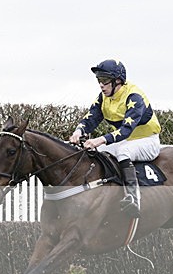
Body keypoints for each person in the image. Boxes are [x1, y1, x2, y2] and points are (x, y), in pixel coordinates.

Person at [69, 59, 161, 217]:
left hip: (147, 141)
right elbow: (91, 118)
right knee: (94, 152)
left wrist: (100, 139)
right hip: (125, 141)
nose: (101, 85)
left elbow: (126, 130)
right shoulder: (103, 97)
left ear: (118, 81)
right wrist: (79, 131)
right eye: (99, 80)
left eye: (104, 80)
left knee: (123, 152)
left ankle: (133, 198)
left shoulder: (134, 97)